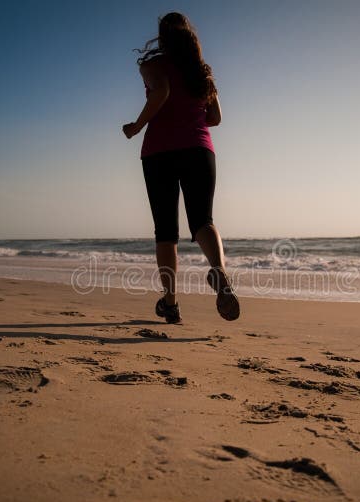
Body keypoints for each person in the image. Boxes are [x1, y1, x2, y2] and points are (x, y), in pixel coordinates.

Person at [123, 12, 239, 325]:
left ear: (162, 37)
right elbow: (215, 118)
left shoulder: (152, 65)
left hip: (159, 152)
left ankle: (171, 304)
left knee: (166, 231)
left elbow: (161, 92)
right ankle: (219, 272)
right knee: (202, 220)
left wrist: (135, 127)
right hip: (199, 150)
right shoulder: (201, 71)